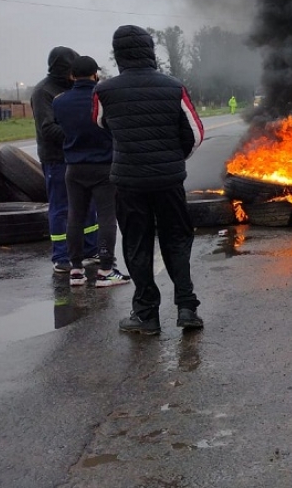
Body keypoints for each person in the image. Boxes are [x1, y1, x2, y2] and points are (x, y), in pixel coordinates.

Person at [94, 25, 205, 335]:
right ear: (150, 50)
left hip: (129, 182)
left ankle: (146, 315)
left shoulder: (104, 91)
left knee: (136, 244)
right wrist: (172, 158)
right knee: (177, 240)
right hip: (169, 181)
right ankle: (186, 307)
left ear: (118, 54)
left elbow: (101, 123)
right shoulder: (173, 86)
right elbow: (195, 134)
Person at [52, 56, 130, 287]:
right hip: (103, 165)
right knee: (106, 216)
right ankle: (106, 269)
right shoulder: (103, 98)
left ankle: (76, 269)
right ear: (96, 74)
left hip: (74, 167)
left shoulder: (59, 102)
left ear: (71, 76)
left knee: (75, 216)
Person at [31, 46, 98, 275]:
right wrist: (78, 135)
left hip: (78, 157)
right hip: (56, 158)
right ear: (63, 70)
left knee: (88, 205)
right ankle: (61, 256)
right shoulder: (43, 92)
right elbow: (47, 128)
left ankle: (91, 249)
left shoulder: (74, 88)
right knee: (61, 207)